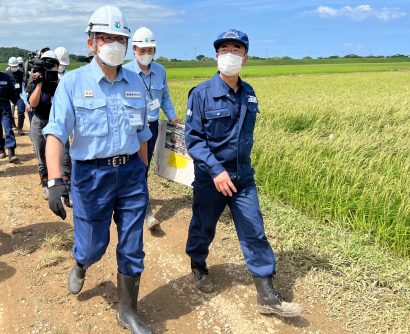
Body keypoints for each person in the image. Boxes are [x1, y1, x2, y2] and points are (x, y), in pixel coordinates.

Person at [43, 6, 152, 334]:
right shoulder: (73, 83)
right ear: (91, 42)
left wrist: (142, 170)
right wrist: (54, 180)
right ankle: (80, 263)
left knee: (132, 243)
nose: (114, 44)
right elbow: (55, 134)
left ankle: (128, 311)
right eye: (107, 37)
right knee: (93, 247)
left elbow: (143, 134)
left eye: (121, 38)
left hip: (131, 172)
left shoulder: (135, 81)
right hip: (92, 176)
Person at [184, 29, 303, 318]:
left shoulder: (249, 94)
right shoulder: (200, 94)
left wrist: (236, 171)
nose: (229, 54)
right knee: (203, 226)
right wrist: (216, 171)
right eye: (224, 49)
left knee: (254, 231)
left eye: (235, 49)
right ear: (216, 56)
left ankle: (266, 295)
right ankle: (198, 264)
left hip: (243, 178)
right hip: (211, 179)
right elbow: (194, 140)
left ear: (245, 58)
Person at [124, 26, 178, 230]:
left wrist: (172, 116)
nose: (146, 54)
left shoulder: (160, 71)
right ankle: (144, 211)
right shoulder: (126, 71)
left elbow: (164, 98)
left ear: (154, 50)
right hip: (131, 126)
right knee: (134, 166)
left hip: (152, 126)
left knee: (143, 167)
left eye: (150, 50)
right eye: (141, 50)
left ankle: (140, 206)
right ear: (134, 50)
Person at [27, 50, 71, 200]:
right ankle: (46, 184)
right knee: (41, 154)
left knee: (64, 155)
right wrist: (39, 84)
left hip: (57, 122)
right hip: (39, 120)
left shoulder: (62, 80)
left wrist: (57, 82)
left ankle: (67, 187)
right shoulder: (35, 80)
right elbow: (33, 103)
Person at [0, 71, 19, 162]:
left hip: (4, 105)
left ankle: (11, 152)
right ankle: (1, 150)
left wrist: (15, 102)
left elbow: (12, 91)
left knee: (8, 128)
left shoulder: (5, 77)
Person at [6, 57, 26, 135]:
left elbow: (24, 83)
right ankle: (12, 124)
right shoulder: (6, 74)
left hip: (19, 95)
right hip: (10, 96)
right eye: (13, 66)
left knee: (21, 111)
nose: (14, 68)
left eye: (15, 66)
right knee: (10, 112)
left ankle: (20, 128)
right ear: (10, 66)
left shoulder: (20, 73)